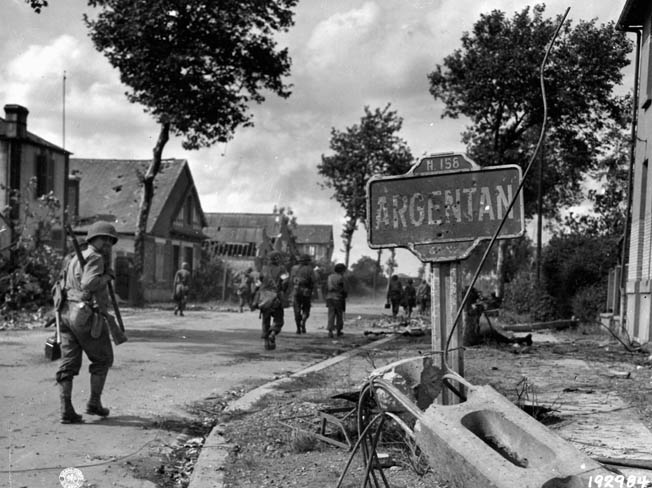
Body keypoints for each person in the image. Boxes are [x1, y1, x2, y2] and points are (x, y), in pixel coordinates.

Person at [56, 221, 118, 424]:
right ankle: (94, 403)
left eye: (110, 241)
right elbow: (89, 283)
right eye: (104, 239)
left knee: (69, 362)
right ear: (93, 240)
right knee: (103, 359)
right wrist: (108, 277)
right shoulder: (95, 258)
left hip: (66, 312)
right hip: (84, 314)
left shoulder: (75, 258)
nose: (108, 244)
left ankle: (67, 410)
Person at [257, 251, 289, 350]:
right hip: (275, 297)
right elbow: (285, 281)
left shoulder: (264, 269)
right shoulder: (282, 269)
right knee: (278, 319)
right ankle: (273, 333)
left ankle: (266, 343)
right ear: (277, 259)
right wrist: (283, 290)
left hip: (264, 298)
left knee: (265, 320)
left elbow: (260, 281)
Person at [290, 254, 314, 334]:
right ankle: (303, 321)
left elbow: (291, 280)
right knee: (306, 308)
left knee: (296, 309)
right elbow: (313, 280)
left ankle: (298, 328)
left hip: (296, 290)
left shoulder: (294, 268)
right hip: (306, 291)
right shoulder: (310, 269)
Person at [326, 263, 348, 338]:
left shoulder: (330, 277)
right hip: (338, 298)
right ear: (342, 271)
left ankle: (330, 331)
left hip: (329, 298)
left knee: (331, 314)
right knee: (339, 315)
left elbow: (328, 287)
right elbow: (344, 289)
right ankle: (338, 331)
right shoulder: (341, 278)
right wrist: (345, 295)